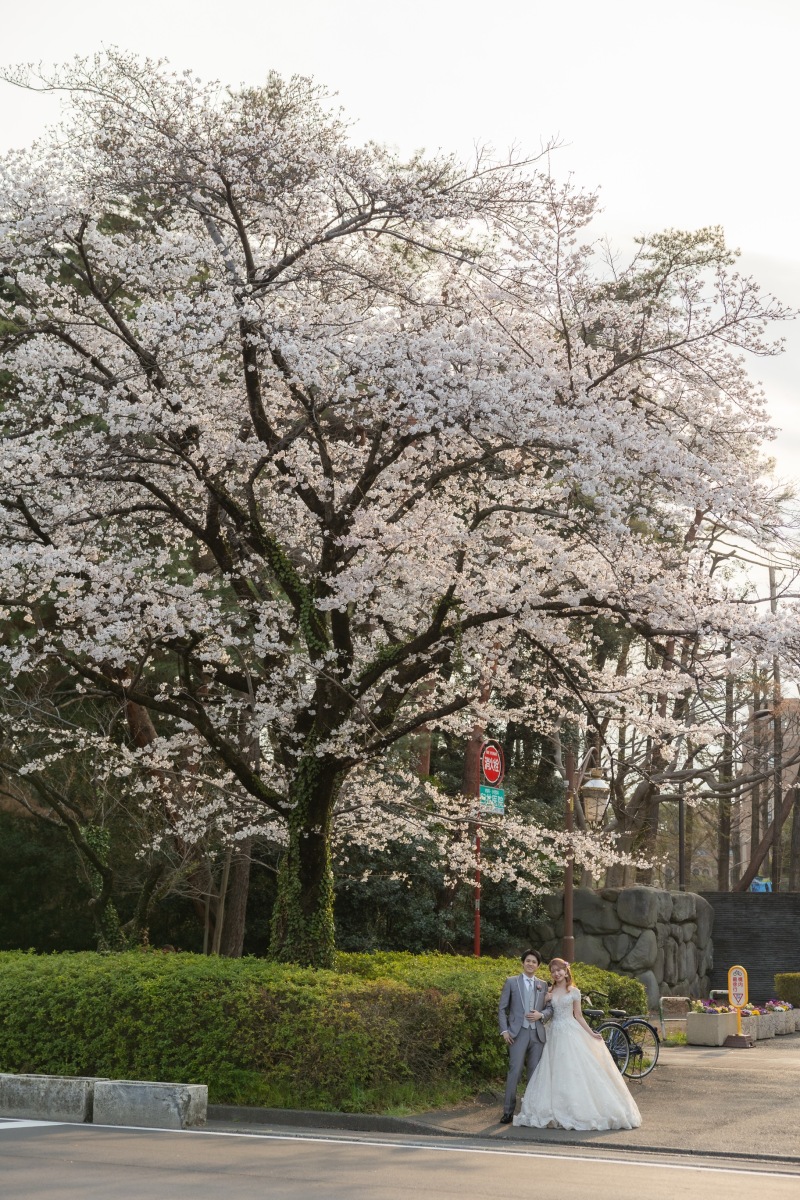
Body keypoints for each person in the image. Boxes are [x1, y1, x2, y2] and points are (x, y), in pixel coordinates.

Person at [513, 957, 641, 1131]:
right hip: (553, 1033)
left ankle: (578, 1110)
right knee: (552, 1070)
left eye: (560, 970)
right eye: (553, 971)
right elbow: (545, 1013)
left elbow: (578, 1016)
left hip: (570, 1031)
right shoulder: (547, 991)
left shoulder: (574, 991)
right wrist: (544, 1001)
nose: (557, 973)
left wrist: (591, 1033)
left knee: (574, 1070)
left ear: (566, 971)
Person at [497, 949, 553, 1123]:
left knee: (535, 1074)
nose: (530, 964)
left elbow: (551, 1009)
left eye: (534, 962)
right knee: (514, 1071)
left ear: (538, 966)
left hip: (537, 1034)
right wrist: (504, 1031)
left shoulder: (543, 985)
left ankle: (530, 1111)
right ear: (523, 963)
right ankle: (508, 1111)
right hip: (517, 1033)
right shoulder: (511, 982)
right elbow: (501, 1008)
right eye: (528, 961)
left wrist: (541, 1015)